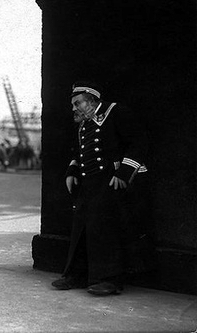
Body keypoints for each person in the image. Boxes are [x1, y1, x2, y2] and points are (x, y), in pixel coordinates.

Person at [52, 81, 154, 296]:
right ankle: (78, 275)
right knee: (81, 226)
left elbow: (139, 141)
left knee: (105, 228)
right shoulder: (85, 123)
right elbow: (80, 151)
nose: (73, 108)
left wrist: (125, 172)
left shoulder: (115, 112)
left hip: (111, 181)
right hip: (90, 182)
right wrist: (72, 170)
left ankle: (110, 280)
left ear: (91, 100)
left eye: (77, 103)